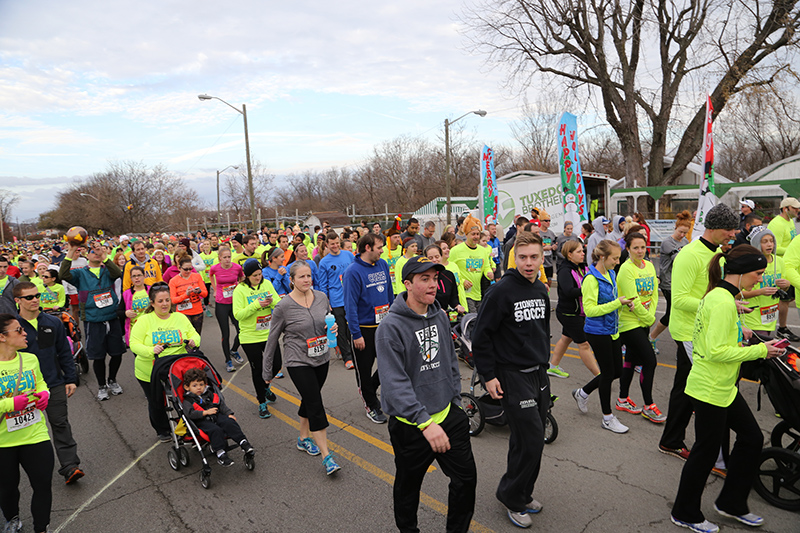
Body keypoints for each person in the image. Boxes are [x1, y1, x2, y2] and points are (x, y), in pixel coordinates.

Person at [670, 245, 784, 533]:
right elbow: (717, 351)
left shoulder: (723, 296)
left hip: (723, 387)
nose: (760, 279)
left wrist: (741, 332)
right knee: (705, 453)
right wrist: (761, 350)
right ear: (742, 271)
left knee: (752, 438)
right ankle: (685, 512)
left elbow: (714, 338)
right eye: (758, 273)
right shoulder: (721, 301)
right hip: (709, 389)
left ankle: (731, 503)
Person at [377, 256, 477, 533]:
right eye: (425, 279)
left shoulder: (440, 315)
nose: (434, 284)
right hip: (413, 426)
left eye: (435, 278)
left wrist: (455, 401)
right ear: (407, 284)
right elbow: (394, 384)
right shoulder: (390, 328)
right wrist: (425, 423)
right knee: (409, 486)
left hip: (448, 415)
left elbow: (449, 361)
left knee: (465, 480)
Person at [472, 231, 550, 528]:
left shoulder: (541, 289)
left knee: (533, 439)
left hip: (538, 373)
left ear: (542, 258)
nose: (528, 263)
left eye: (533, 257)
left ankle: (523, 492)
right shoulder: (501, 291)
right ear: (512, 258)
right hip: (512, 375)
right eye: (522, 257)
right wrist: (489, 376)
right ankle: (511, 496)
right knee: (529, 438)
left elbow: (541, 330)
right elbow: (481, 337)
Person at [660, 203, 740, 460]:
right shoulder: (689, 254)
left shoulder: (717, 252)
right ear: (713, 227)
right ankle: (716, 457)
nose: (733, 233)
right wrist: (721, 304)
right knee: (710, 393)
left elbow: (714, 292)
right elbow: (680, 300)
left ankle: (671, 440)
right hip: (688, 332)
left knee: (685, 389)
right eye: (729, 229)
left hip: (704, 329)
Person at [263, 260, 342, 475]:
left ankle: (303, 438)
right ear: (291, 280)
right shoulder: (283, 306)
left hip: (321, 358)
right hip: (297, 360)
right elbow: (272, 339)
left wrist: (332, 328)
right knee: (315, 403)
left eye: (309, 276)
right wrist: (267, 372)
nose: (307, 280)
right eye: (301, 277)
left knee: (310, 398)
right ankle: (327, 457)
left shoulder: (322, 298)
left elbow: (327, 322)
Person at [15, 283, 83, 485]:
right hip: (24, 390)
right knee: (27, 431)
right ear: (18, 301)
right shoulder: (12, 327)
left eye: (37, 295)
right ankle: (30, 471)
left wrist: (70, 379)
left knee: (60, 424)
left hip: (54, 384)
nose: (35, 299)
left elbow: (64, 351)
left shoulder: (53, 322)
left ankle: (70, 466)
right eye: (29, 297)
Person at [571, 240, 636, 433]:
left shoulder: (611, 273)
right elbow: (590, 310)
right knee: (608, 374)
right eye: (614, 258)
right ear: (602, 257)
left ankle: (582, 392)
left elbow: (613, 301)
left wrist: (625, 303)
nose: (617, 262)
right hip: (597, 331)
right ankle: (607, 418)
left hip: (612, 329)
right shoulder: (591, 279)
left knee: (617, 372)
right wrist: (618, 303)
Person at [0, 313, 54, 533]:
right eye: (19, 330)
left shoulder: (30, 359)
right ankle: (12, 520)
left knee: (42, 485)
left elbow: (40, 382)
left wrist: (44, 394)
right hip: (4, 440)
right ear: (2, 337)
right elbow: (11, 403)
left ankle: (42, 528)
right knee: (7, 488)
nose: (25, 334)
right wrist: (12, 403)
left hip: (35, 433)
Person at [129, 282, 201, 442]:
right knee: (157, 403)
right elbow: (133, 344)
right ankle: (162, 430)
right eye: (160, 301)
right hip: (150, 371)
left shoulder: (180, 318)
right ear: (152, 303)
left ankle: (187, 426)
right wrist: (150, 351)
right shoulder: (144, 321)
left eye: (167, 300)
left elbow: (195, 335)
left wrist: (193, 341)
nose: (165, 304)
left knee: (184, 400)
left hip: (177, 369)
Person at [59, 240, 125, 401]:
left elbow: (118, 274)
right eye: (93, 251)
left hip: (112, 317)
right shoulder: (80, 273)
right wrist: (70, 252)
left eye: (99, 250)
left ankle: (112, 380)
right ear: (87, 255)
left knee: (117, 353)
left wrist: (105, 256)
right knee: (98, 356)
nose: (96, 253)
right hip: (93, 319)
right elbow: (63, 275)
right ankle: (102, 386)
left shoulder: (107, 269)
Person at [343, 233, 394, 424]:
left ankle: (369, 390)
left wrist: (393, 320)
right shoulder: (353, 272)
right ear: (367, 248)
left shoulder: (382, 264)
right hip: (363, 331)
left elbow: (389, 293)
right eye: (379, 247)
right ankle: (371, 405)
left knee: (389, 365)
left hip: (383, 327)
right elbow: (350, 306)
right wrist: (356, 334)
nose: (382, 251)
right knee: (363, 371)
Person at [616, 232, 665, 423]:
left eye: (643, 247)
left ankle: (622, 399)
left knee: (631, 359)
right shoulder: (626, 270)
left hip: (644, 320)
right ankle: (648, 405)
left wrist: (650, 316)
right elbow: (632, 299)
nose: (639, 251)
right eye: (635, 247)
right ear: (627, 249)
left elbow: (653, 294)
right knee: (650, 361)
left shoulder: (650, 266)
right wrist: (647, 319)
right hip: (629, 323)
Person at [233, 259, 281, 419]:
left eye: (260, 274)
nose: (258, 278)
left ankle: (265, 386)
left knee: (277, 364)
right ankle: (262, 402)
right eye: (254, 275)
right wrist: (256, 305)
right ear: (247, 276)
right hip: (250, 336)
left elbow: (278, 303)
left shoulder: (266, 284)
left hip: (268, 333)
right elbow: (238, 314)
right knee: (258, 369)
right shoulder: (240, 290)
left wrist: (270, 302)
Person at [181, 367, 254, 467]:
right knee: (215, 430)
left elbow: (221, 405)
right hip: (201, 420)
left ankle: (243, 442)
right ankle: (220, 453)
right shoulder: (188, 401)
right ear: (187, 387)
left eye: (201, 384)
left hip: (216, 415)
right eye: (194, 385)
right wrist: (205, 412)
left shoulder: (209, 394)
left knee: (229, 422)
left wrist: (229, 414)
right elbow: (190, 414)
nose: (199, 388)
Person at [548, 240, 600, 380]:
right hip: (568, 313)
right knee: (584, 344)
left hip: (579, 311)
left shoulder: (582, 267)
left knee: (566, 338)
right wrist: (588, 290)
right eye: (579, 252)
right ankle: (599, 376)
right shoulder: (565, 270)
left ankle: (553, 366)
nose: (583, 253)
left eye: (583, 250)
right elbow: (568, 291)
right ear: (569, 254)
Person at [650, 212, 692, 352]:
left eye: (685, 233)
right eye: (680, 232)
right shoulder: (668, 243)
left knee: (676, 314)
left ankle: (680, 345)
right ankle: (654, 338)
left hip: (680, 282)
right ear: (675, 228)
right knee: (671, 314)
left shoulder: (685, 242)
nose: (682, 235)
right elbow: (678, 259)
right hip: (668, 282)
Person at [741, 227, 787, 338]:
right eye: (764, 242)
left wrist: (786, 285)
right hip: (752, 318)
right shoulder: (749, 263)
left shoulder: (779, 261)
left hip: (770, 318)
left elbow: (782, 289)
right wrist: (760, 292)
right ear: (756, 244)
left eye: (772, 241)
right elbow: (738, 294)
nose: (770, 245)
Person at [318, 232, 355, 370]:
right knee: (340, 329)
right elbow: (323, 284)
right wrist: (326, 302)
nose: (335, 246)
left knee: (352, 327)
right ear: (327, 245)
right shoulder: (324, 262)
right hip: (336, 300)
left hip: (351, 298)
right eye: (332, 244)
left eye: (337, 243)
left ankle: (353, 351)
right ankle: (347, 357)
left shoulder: (349, 255)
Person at [767, 197, 800, 342]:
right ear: (785, 208)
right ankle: (781, 328)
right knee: (783, 298)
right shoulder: (777, 224)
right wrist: (791, 249)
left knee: (787, 299)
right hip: (779, 264)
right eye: (795, 208)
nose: (798, 210)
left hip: (790, 262)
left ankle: (782, 327)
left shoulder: (790, 222)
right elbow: (772, 246)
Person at [209, 247, 245, 373]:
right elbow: (210, 275)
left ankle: (234, 350)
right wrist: (214, 289)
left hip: (235, 303)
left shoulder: (236, 267)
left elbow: (242, 278)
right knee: (226, 333)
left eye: (229, 257)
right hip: (221, 303)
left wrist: (239, 287)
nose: (227, 260)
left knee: (241, 330)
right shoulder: (215, 268)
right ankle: (228, 361)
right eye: (224, 257)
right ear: (220, 258)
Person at [449, 222, 494, 313]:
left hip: (479, 293)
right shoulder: (456, 250)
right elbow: (449, 269)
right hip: (465, 294)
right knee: (472, 320)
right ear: (466, 234)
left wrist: (489, 272)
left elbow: (486, 266)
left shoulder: (482, 250)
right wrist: (462, 281)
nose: (476, 236)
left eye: (477, 234)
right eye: (473, 234)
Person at [169, 256, 208, 335]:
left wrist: (199, 292)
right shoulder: (173, 281)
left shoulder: (197, 276)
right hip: (183, 313)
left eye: (190, 269)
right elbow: (173, 300)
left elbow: (205, 293)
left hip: (197, 311)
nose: (188, 271)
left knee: (197, 335)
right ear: (179, 268)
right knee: (185, 335)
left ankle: (196, 348)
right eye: (185, 269)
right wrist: (186, 295)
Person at [424, 244, 466, 316]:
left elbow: (453, 296)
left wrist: (457, 305)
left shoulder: (448, 275)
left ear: (441, 257)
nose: (434, 260)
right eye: (430, 258)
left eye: (437, 257)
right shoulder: (423, 278)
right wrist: (437, 308)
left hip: (444, 314)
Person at [117, 265, 151, 345]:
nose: (137, 278)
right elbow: (118, 311)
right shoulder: (126, 294)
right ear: (131, 278)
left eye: (139, 275)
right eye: (134, 276)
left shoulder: (151, 290)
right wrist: (126, 313)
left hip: (151, 327)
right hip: (135, 329)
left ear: (144, 276)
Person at [198, 241, 218, 317]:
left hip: (214, 277)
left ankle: (219, 308)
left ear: (210, 245)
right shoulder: (200, 256)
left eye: (207, 244)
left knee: (217, 293)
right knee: (206, 294)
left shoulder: (215, 254)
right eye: (205, 244)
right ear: (202, 247)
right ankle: (207, 309)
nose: (206, 246)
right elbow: (199, 268)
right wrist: (201, 278)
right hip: (205, 277)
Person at [538, 209, 556, 286]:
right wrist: (544, 248)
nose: (548, 222)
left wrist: (554, 247)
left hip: (549, 262)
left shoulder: (551, 233)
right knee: (541, 282)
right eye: (546, 221)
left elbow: (554, 244)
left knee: (549, 282)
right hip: (540, 262)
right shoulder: (537, 232)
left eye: (549, 221)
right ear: (541, 221)